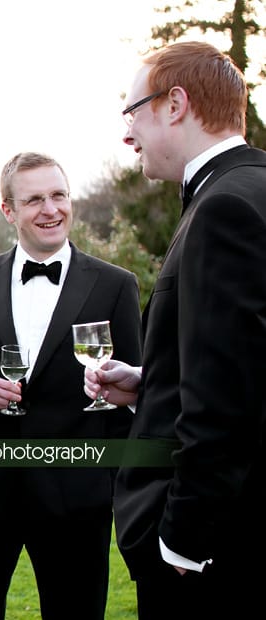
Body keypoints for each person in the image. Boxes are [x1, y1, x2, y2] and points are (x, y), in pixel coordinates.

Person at [85, 41, 266, 619]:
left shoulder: (222, 210)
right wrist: (151, 382)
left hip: (212, 554)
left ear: (175, 104)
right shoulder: (252, 190)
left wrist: (183, 541)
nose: (127, 134)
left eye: (132, 111)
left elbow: (226, 404)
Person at [0, 152, 142, 620]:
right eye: (34, 200)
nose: (51, 209)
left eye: (58, 195)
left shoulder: (115, 285)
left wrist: (111, 482)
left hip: (76, 497)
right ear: (8, 211)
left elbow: (136, 388)